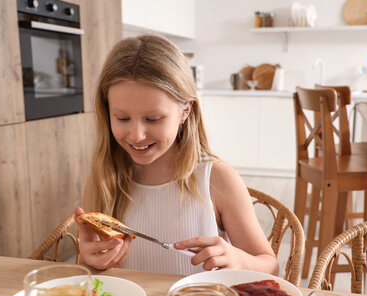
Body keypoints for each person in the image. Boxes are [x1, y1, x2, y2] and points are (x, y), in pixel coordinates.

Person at [74, 34, 278, 277]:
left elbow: (271, 267)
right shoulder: (102, 183)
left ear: (185, 111)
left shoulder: (217, 179)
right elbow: (85, 276)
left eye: (153, 119)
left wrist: (238, 260)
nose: (137, 135)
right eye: (122, 118)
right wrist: (89, 261)